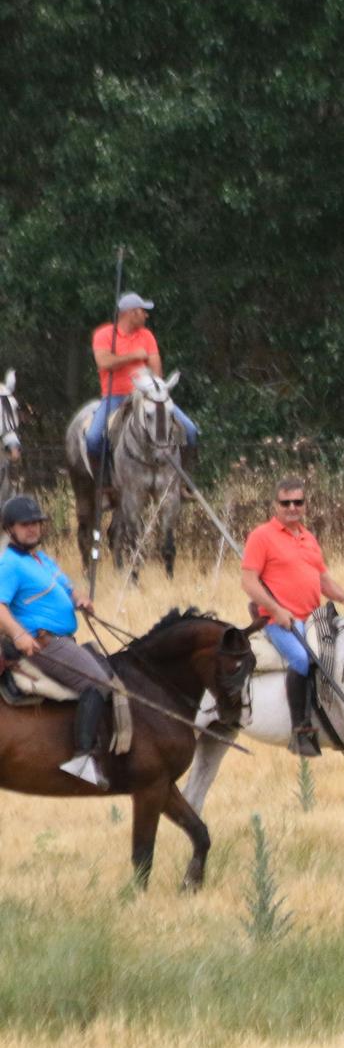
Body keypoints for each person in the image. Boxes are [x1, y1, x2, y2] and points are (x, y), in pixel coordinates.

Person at [0, 495, 115, 786]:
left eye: (37, 523)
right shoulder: (10, 565)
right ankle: (82, 758)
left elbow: (66, 586)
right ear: (9, 529)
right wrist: (19, 634)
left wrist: (80, 599)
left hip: (65, 638)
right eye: (25, 525)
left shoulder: (42, 560)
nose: (33, 529)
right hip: (44, 643)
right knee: (97, 682)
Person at [240, 476, 344, 758]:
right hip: (278, 621)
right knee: (303, 659)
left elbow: (322, 578)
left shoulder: (308, 538)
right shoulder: (262, 536)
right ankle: (301, 729)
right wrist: (277, 610)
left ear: (305, 505)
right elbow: (249, 582)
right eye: (286, 503)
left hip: (314, 617)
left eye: (298, 502)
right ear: (275, 505)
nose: (292, 507)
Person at [84, 292, 200, 462]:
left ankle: (182, 479)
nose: (146, 315)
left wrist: (153, 388)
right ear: (131, 313)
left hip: (148, 395)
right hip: (115, 396)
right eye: (142, 311)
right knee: (93, 439)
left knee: (189, 430)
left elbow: (156, 369)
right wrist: (133, 356)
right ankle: (106, 481)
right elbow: (103, 362)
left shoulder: (147, 335)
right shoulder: (104, 334)